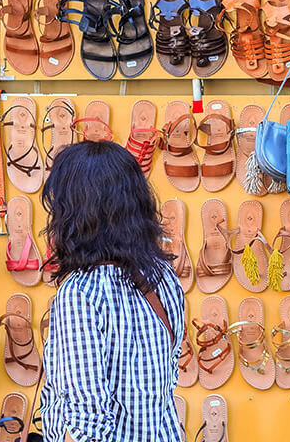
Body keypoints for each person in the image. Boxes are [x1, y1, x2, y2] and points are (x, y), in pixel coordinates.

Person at [40, 141, 186, 442]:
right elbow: (168, 376)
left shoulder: (79, 294)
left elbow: (86, 423)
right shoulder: (162, 276)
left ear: (73, 212)